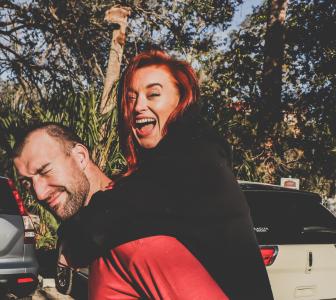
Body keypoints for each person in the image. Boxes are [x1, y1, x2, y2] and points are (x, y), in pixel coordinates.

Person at [58, 48, 274, 300]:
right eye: (131, 98)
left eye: (154, 94)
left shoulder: (196, 156)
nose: (138, 106)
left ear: (182, 101)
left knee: (124, 248)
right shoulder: (168, 163)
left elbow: (111, 217)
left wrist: (69, 239)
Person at [12, 123, 227, 299]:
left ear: (80, 156)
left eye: (45, 171)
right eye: (27, 183)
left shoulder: (136, 233)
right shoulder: (84, 230)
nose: (38, 193)